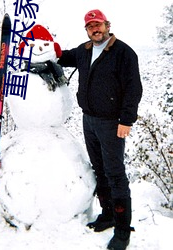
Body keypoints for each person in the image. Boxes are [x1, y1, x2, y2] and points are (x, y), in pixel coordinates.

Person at [58, 9, 142, 250]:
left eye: (98, 24)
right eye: (90, 26)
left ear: (107, 24)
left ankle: (123, 231)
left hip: (112, 123)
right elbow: (62, 57)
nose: (95, 29)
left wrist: (126, 120)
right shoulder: (84, 51)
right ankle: (108, 214)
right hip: (89, 120)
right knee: (100, 169)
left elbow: (133, 88)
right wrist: (44, 48)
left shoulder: (123, 52)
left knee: (115, 173)